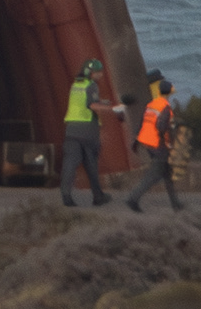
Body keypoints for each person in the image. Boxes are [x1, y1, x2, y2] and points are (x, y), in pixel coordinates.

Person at [56, 58, 117, 207]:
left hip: (71, 130)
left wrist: (102, 101)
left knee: (70, 163)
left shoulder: (76, 85)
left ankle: (66, 194)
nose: (100, 75)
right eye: (98, 72)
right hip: (88, 130)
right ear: (91, 73)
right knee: (91, 164)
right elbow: (92, 105)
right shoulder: (92, 85)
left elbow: (83, 102)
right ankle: (98, 196)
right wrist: (112, 109)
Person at [124, 74, 184, 214]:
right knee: (154, 176)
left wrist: (137, 140)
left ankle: (176, 204)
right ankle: (133, 199)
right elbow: (162, 126)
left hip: (148, 143)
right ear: (169, 93)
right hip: (159, 145)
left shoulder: (151, 105)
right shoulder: (166, 108)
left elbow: (143, 123)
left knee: (167, 174)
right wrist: (168, 142)